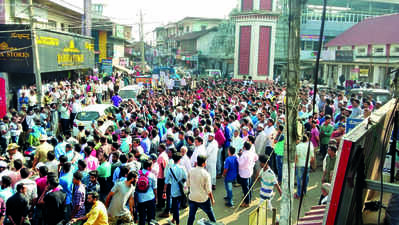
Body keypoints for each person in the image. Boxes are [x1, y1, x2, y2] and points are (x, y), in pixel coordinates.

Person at [187, 155, 216, 225]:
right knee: (209, 213)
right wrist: (212, 199)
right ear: (203, 163)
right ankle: (215, 224)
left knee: (191, 215)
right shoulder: (206, 174)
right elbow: (209, 190)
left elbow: (188, 184)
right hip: (203, 199)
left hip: (192, 198)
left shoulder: (191, 171)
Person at [164, 152, 187, 225]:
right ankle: (174, 219)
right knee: (177, 205)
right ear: (179, 159)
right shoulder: (182, 168)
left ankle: (177, 222)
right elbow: (186, 178)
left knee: (175, 207)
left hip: (174, 190)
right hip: (182, 189)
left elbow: (166, 181)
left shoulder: (170, 169)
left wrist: (164, 191)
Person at [237, 142, 259, 207]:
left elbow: (240, 164)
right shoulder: (252, 152)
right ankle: (249, 199)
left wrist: (238, 158)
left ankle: (247, 202)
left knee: (245, 188)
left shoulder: (244, 155)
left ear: (244, 147)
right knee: (249, 186)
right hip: (250, 171)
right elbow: (256, 158)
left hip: (244, 173)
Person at [136, 160, 157, 225]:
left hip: (140, 198)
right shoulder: (152, 175)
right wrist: (156, 198)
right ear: (148, 167)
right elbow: (155, 189)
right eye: (151, 166)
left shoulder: (137, 174)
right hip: (150, 198)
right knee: (151, 217)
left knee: (142, 216)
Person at [295, 135, 315, 199]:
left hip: (299, 165)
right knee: (306, 179)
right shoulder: (310, 146)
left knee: (299, 180)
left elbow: (296, 158)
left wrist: (295, 165)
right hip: (307, 165)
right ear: (307, 140)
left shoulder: (298, 146)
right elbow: (312, 158)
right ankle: (304, 191)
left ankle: (299, 193)